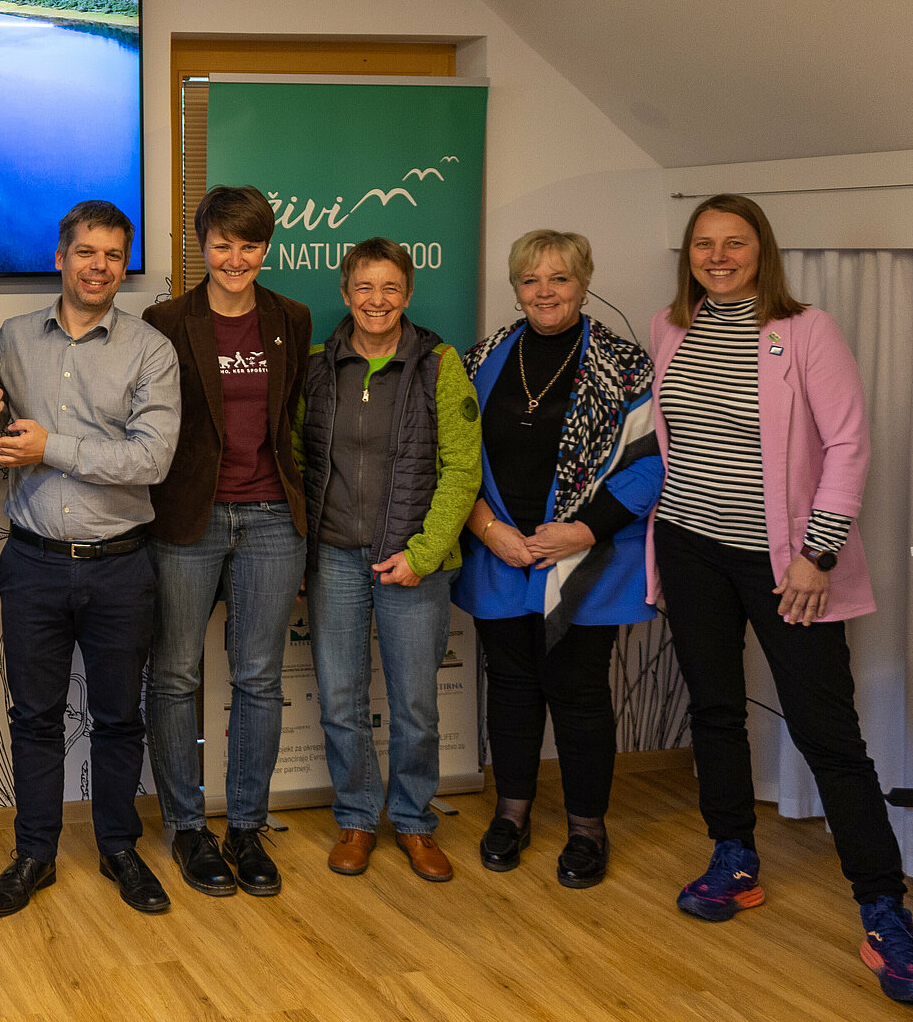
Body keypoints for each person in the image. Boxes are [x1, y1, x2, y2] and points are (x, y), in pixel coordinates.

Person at [647, 194, 911, 1003]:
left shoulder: (805, 332)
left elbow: (848, 443)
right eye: (703, 244)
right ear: (687, 255)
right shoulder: (672, 328)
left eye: (734, 243)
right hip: (690, 547)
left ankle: (883, 908)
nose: (717, 256)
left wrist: (816, 553)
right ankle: (735, 857)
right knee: (716, 710)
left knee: (828, 732)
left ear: (762, 251)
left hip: (785, 562)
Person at [0, 200, 181, 917]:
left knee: (120, 717)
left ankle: (120, 847)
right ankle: (35, 855)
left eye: (113, 257)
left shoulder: (150, 350)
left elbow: (151, 460)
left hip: (121, 564)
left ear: (125, 266)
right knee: (34, 716)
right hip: (31, 561)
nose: (99, 267)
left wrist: (48, 447)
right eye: (86, 252)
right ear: (60, 257)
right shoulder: (12, 338)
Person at [453, 230, 661, 889]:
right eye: (531, 279)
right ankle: (511, 813)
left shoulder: (626, 365)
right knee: (511, 687)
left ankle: (586, 828)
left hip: (587, 561)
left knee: (578, 693)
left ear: (583, 282)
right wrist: (490, 532)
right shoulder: (480, 358)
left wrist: (581, 532)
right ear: (515, 287)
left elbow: (650, 464)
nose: (545, 291)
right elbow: (450, 460)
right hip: (500, 551)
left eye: (560, 278)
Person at [141, 185, 310, 898]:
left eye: (249, 244)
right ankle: (188, 827)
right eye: (221, 243)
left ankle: (246, 826)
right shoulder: (165, 320)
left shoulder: (291, 319)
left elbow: (297, 417)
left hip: (273, 516)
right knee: (177, 675)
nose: (235, 258)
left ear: (265, 248)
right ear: (200, 245)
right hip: (190, 517)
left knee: (259, 680)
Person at [297, 236, 480, 883]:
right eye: (364, 288)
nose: (378, 300)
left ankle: (412, 821)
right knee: (342, 700)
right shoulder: (317, 366)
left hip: (413, 562)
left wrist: (424, 554)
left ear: (408, 293)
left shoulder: (439, 363)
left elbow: (462, 470)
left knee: (415, 707)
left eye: (391, 288)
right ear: (345, 294)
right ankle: (355, 817)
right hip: (336, 561)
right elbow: (298, 461)